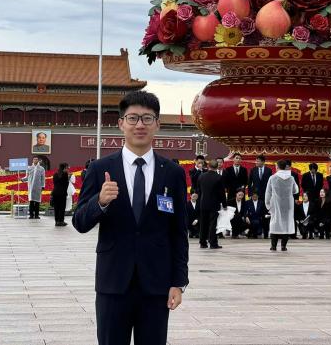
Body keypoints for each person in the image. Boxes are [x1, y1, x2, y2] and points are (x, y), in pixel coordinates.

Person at [72, 91, 188, 345]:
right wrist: (100, 202)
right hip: (113, 283)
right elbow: (79, 222)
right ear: (121, 123)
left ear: (157, 124)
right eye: (133, 118)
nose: (139, 125)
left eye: (147, 118)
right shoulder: (101, 168)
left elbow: (179, 232)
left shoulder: (172, 173)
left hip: (156, 285)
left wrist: (178, 282)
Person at [265, 159, 299, 251]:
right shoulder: (291, 178)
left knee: (274, 224)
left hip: (276, 203)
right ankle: (283, 246)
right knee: (286, 224)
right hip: (288, 204)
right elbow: (296, 190)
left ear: (277, 167)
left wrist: (268, 205)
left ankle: (273, 246)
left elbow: (268, 193)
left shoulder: (272, 178)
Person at [197, 159, 227, 249]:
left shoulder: (201, 176)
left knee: (203, 223)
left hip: (203, 203)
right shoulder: (219, 177)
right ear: (217, 167)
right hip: (214, 203)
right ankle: (213, 243)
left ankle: (202, 242)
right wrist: (224, 204)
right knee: (213, 224)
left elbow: (199, 190)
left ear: (208, 166)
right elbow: (221, 193)